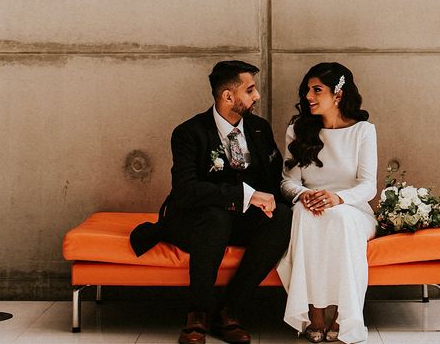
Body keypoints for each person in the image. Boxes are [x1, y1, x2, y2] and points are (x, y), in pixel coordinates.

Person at [129, 60, 291, 344]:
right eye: (250, 90)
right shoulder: (189, 133)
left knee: (283, 217)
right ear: (228, 96)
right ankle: (198, 313)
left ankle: (229, 311)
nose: (256, 96)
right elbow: (185, 190)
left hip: (240, 220)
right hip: (196, 219)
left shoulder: (259, 129)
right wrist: (245, 195)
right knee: (215, 218)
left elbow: (272, 178)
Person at [277, 62, 377, 343]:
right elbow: (287, 181)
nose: (308, 96)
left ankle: (342, 314)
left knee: (339, 217)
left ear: (338, 94)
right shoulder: (298, 130)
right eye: (307, 90)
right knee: (307, 216)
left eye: (316, 90)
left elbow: (368, 186)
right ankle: (315, 314)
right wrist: (303, 195)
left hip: (353, 209)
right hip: (309, 207)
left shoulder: (364, 132)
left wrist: (338, 198)